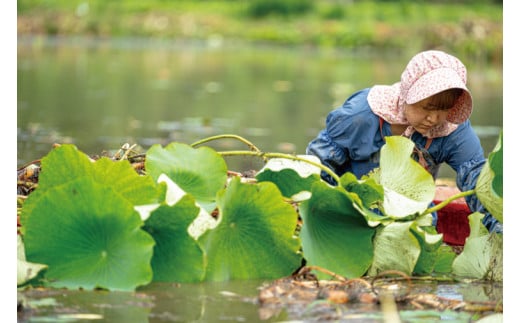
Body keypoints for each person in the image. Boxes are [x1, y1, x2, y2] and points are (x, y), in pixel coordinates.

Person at [306, 50, 502, 233]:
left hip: (412, 212)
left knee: (427, 222)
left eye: (443, 109)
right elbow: (320, 162)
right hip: (352, 207)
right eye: (427, 107)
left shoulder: (452, 130)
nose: (433, 118)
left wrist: (501, 227)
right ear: (408, 94)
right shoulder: (362, 115)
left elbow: (477, 180)